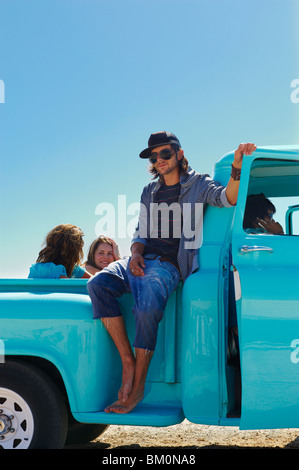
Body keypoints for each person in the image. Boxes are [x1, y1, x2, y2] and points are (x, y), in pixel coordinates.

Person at [87, 131, 256, 414]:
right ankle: (127, 361)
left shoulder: (198, 184)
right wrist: (137, 255)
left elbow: (228, 198)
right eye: (154, 156)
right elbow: (140, 232)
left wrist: (237, 166)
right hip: (141, 258)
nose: (159, 160)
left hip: (170, 264)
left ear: (179, 154)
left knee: (149, 297)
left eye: (165, 153)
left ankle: (138, 384)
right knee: (99, 283)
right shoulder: (149, 191)